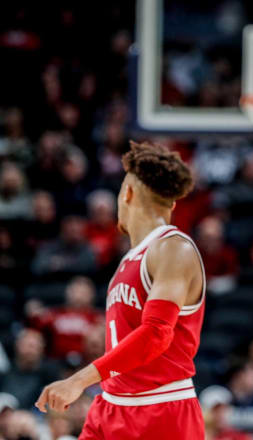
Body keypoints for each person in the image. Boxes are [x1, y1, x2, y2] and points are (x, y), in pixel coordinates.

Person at [35, 141, 206, 440]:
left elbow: (156, 333)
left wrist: (78, 380)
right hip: (111, 405)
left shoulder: (173, 248)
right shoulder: (128, 259)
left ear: (126, 193)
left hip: (160, 409)